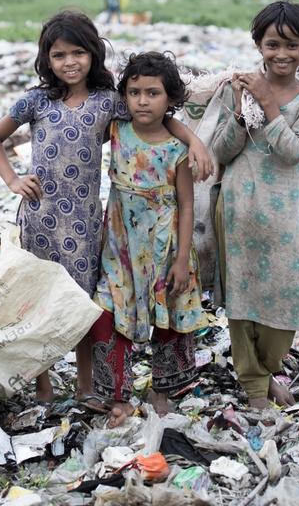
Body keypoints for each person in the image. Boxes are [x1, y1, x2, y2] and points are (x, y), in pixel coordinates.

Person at [0, 10, 211, 404]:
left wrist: (195, 142)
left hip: (86, 225)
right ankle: (43, 384)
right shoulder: (35, 101)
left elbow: (155, 116)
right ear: (46, 60)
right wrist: (13, 180)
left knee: (83, 305)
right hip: (40, 219)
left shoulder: (108, 102)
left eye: (78, 53)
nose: (69, 62)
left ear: (93, 55)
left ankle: (86, 384)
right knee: (41, 302)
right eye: (59, 55)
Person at [210, 0, 299, 411]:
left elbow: (293, 152)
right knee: (241, 304)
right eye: (272, 44)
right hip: (238, 207)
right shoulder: (235, 88)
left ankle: (269, 366)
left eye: (291, 45)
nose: (281, 54)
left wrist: (269, 105)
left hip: (283, 216)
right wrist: (243, 113)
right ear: (258, 45)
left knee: (285, 302)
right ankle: (256, 386)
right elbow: (220, 151)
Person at [88, 52, 209, 426]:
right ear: (124, 95)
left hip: (166, 246)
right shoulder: (116, 131)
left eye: (153, 93)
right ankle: (116, 397)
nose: (143, 100)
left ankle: (163, 388)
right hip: (121, 246)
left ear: (169, 99)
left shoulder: (177, 149)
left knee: (168, 317)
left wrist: (182, 258)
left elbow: (187, 206)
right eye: (135, 91)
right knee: (107, 313)